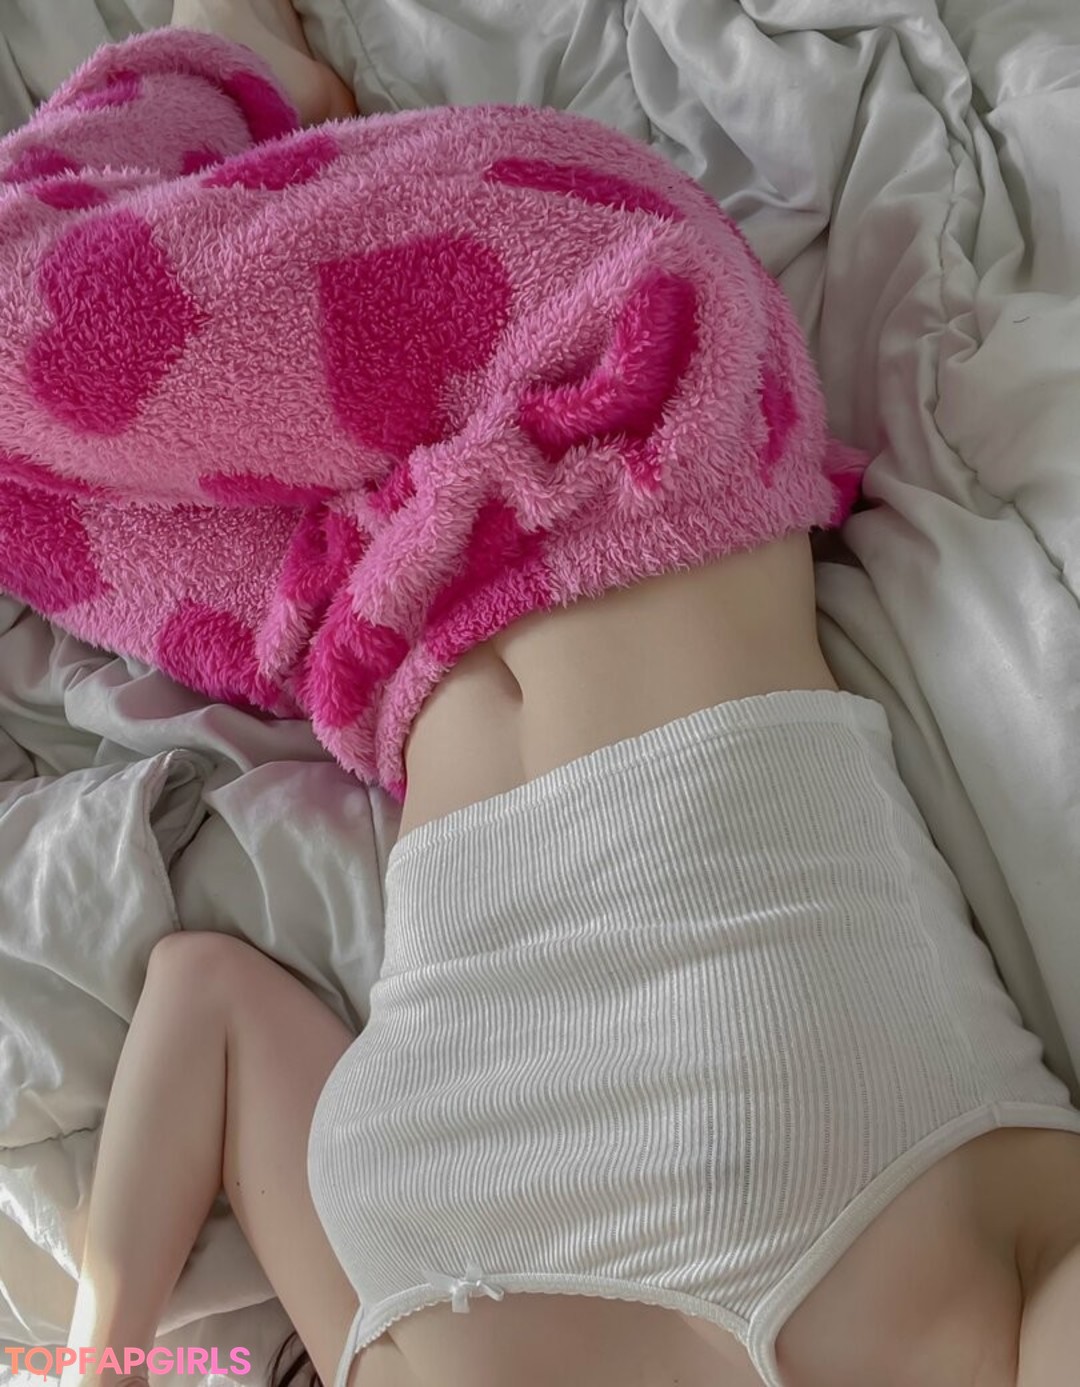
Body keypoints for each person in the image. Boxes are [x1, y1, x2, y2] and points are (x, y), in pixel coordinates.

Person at [5, 5, 1079, 1387]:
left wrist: (101, 1358)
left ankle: (250, 117)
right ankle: (237, 56)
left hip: (359, 611)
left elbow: (205, 997)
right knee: (28, 326)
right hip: (616, 395)